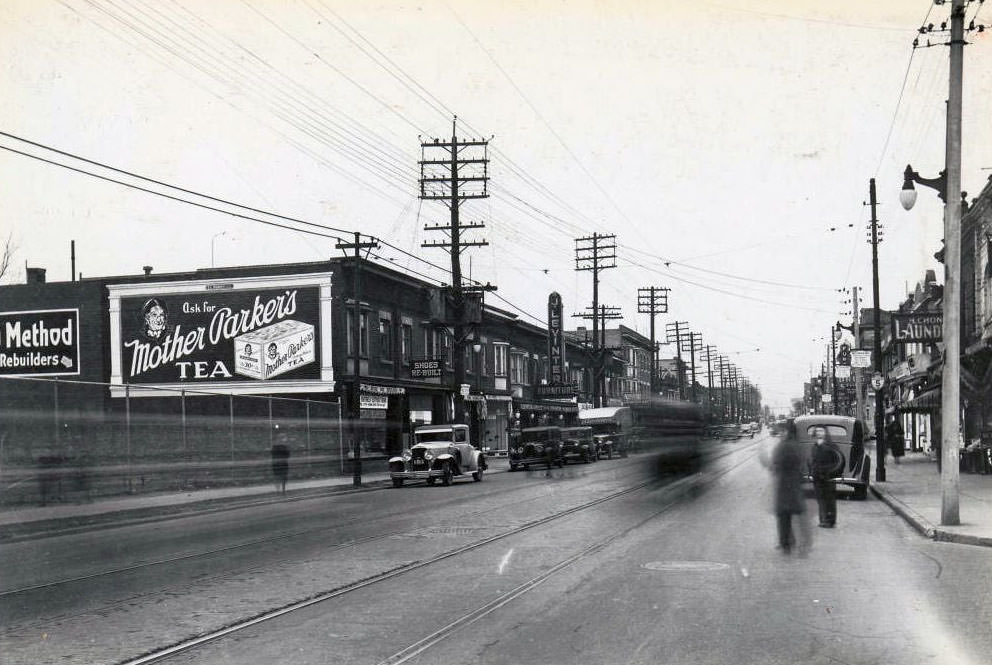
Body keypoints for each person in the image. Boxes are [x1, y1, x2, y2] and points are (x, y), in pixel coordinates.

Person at [770, 420, 810, 554]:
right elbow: (803, 465)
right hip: (795, 485)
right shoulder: (798, 446)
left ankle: (785, 543)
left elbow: (775, 465)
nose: (780, 434)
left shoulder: (782, 447)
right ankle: (799, 543)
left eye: (782, 432)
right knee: (797, 515)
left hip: (784, 484)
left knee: (783, 516)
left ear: (786, 432)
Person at [811, 426, 838, 528]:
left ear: (825, 432)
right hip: (817, 477)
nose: (819, 433)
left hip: (828, 476)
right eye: (817, 431)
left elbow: (836, 461)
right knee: (820, 499)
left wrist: (828, 471)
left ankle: (830, 520)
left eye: (821, 431)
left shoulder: (831, 446)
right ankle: (823, 519)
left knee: (829, 498)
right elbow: (813, 461)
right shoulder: (814, 446)